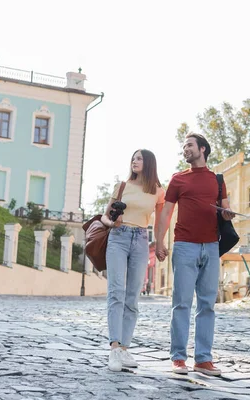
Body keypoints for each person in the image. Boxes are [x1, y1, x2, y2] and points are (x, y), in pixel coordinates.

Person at [155, 133, 235, 376]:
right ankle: (178, 358)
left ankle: (203, 359)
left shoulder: (218, 180)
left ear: (202, 149)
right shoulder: (178, 179)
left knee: (207, 305)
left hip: (211, 246)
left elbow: (225, 208)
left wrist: (227, 214)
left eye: (189, 145)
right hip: (185, 246)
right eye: (183, 146)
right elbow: (166, 213)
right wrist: (159, 240)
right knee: (181, 303)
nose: (185, 149)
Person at [101, 149, 165, 372]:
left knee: (133, 296)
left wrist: (160, 243)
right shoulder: (122, 186)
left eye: (139, 158)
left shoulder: (158, 191)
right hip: (118, 237)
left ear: (148, 163)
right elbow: (104, 215)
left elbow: (158, 222)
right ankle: (115, 349)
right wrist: (112, 224)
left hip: (141, 240)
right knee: (116, 292)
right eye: (133, 158)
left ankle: (125, 349)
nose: (134, 161)